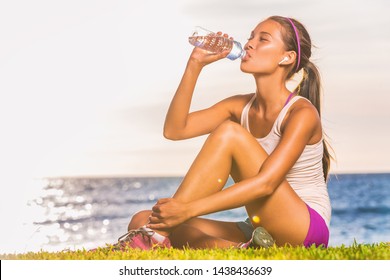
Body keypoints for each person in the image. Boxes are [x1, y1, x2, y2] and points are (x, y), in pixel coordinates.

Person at [112, 15, 333, 250]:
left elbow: (266, 184)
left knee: (229, 133)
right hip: (260, 227)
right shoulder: (239, 106)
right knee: (141, 220)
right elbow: (175, 129)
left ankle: (155, 234)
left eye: (263, 39)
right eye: (250, 37)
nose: (249, 44)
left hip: (304, 228)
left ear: (287, 57)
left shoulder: (301, 113)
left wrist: (187, 210)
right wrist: (195, 64)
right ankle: (247, 249)